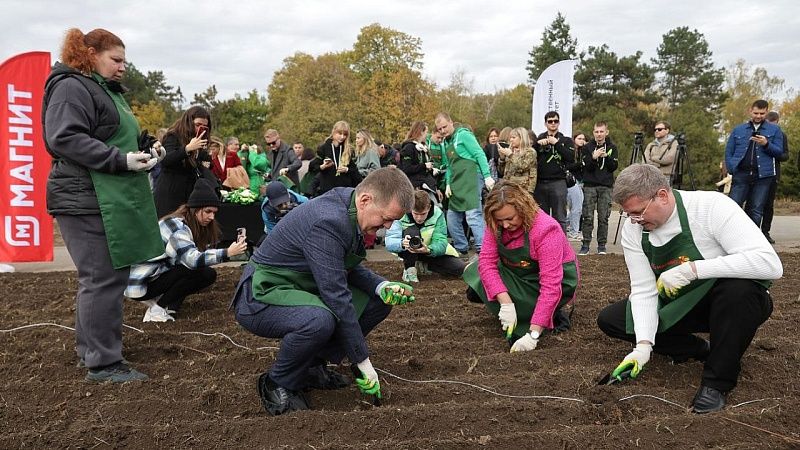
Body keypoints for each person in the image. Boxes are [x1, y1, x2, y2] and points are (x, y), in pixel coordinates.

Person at [597, 164, 782, 414]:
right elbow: (643, 290)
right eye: (628, 215)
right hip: (682, 303)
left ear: (662, 196)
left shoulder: (711, 207)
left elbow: (769, 264)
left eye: (639, 213)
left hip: (732, 304)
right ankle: (697, 349)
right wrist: (642, 347)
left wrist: (692, 270)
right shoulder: (634, 229)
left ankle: (717, 383)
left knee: (738, 291)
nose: (634, 221)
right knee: (613, 319)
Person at [231, 167, 416, 415]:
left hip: (300, 285)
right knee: (319, 321)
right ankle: (278, 381)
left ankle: (311, 367)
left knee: (377, 301)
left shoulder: (350, 206)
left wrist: (382, 286)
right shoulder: (327, 221)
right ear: (365, 200)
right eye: (385, 219)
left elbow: (341, 265)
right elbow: (337, 297)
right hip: (262, 294)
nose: (387, 226)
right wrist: (361, 361)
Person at [43, 28, 166, 382]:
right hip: (84, 196)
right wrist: (120, 161)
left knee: (103, 277)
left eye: (125, 60)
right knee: (102, 278)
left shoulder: (103, 90)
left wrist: (146, 144)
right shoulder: (71, 87)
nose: (123, 67)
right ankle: (103, 364)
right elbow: (64, 137)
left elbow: (113, 132)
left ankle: (93, 352)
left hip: (101, 195)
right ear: (90, 53)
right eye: (116, 59)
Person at [463, 180, 578, 351]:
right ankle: (519, 305)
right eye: (500, 220)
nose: (506, 225)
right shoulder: (496, 222)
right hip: (519, 273)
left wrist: (533, 335)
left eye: (510, 218)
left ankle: (550, 313)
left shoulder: (546, 230)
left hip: (552, 281)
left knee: (531, 317)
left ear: (523, 209)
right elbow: (487, 262)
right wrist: (505, 302)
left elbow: (551, 286)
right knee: (476, 275)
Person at [125, 179, 248, 321]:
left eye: (214, 213)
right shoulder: (176, 226)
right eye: (208, 211)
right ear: (195, 209)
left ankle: (165, 306)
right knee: (195, 270)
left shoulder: (187, 223)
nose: (211, 217)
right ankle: (157, 309)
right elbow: (192, 260)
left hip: (152, 276)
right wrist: (227, 253)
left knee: (204, 273)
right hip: (140, 282)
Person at [434, 112, 494, 256]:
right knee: (452, 218)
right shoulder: (446, 142)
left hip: (472, 177)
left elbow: (479, 153)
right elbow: (449, 166)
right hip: (456, 182)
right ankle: (461, 248)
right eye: (439, 129)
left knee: (473, 215)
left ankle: (483, 250)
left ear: (451, 122)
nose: (442, 131)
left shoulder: (464, 135)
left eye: (444, 127)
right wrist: (448, 184)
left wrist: (487, 176)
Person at [385, 190, 465, 282]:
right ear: (410, 208)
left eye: (423, 214)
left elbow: (441, 241)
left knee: (459, 269)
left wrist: (428, 250)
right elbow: (390, 241)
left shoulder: (438, 214)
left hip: (429, 252)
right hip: (407, 252)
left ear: (429, 207)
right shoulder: (400, 213)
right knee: (412, 232)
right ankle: (410, 269)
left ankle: (424, 266)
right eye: (416, 213)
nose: (419, 218)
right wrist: (402, 243)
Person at [726, 99, 785, 226]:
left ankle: (751, 241)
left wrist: (766, 144)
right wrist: (732, 168)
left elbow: (780, 152)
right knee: (733, 207)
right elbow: (729, 151)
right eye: (756, 113)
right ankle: (731, 237)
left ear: (766, 112)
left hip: (763, 176)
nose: (758, 116)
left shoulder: (775, 130)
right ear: (750, 111)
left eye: (762, 114)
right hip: (741, 174)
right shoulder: (739, 130)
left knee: (756, 210)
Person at [153, 105, 215, 217]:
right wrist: (187, 149)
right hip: (171, 191)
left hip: (189, 193)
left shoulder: (201, 141)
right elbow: (166, 160)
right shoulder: (173, 136)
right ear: (189, 122)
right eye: (197, 125)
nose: (200, 128)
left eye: (204, 127)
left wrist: (204, 157)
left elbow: (206, 164)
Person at [579, 121, 618, 255]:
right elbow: (586, 167)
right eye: (596, 131)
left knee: (603, 217)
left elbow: (613, 167)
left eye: (601, 131)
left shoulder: (612, 146)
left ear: (606, 132)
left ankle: (602, 245)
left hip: (605, 186)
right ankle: (585, 244)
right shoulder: (587, 147)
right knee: (588, 216)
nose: (599, 134)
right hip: (590, 185)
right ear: (593, 132)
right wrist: (593, 157)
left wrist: (606, 157)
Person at [533, 111, 575, 232]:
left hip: (558, 182)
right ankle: (544, 246)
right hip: (540, 183)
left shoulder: (565, 140)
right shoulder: (540, 139)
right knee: (542, 218)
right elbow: (531, 156)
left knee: (560, 217)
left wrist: (556, 143)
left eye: (555, 121)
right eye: (550, 121)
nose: (553, 123)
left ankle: (561, 247)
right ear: (545, 123)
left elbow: (570, 157)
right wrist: (537, 145)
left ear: (559, 123)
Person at [757, 111, 790, 244]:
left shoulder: (781, 135)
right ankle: (752, 232)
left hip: (773, 174)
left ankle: (765, 232)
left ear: (777, 122)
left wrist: (771, 150)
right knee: (754, 205)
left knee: (768, 205)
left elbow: (785, 155)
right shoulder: (757, 133)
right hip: (757, 174)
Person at [309, 121, 362, 194]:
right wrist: (323, 166)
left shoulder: (349, 150)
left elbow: (355, 173)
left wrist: (347, 169)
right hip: (327, 189)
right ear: (334, 132)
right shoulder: (324, 148)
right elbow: (312, 167)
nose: (342, 137)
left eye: (345, 134)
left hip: (344, 190)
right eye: (340, 134)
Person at [399, 121, 438, 195]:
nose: (427, 135)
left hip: (426, 185)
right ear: (421, 132)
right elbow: (406, 169)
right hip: (414, 187)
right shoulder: (409, 148)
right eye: (426, 132)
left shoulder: (424, 148)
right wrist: (424, 166)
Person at [497, 127, 537, 195]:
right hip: (508, 188)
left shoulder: (530, 152)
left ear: (522, 138)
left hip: (523, 190)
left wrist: (510, 155)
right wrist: (502, 158)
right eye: (510, 137)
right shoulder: (510, 151)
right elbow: (501, 172)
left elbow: (523, 166)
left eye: (513, 137)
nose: (511, 140)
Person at [566, 132, 587, 240]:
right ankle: (574, 231)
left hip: (581, 182)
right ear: (574, 139)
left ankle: (564, 225)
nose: (582, 140)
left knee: (578, 207)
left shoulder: (583, 152)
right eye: (579, 138)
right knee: (576, 208)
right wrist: (581, 164)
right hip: (572, 182)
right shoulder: (571, 152)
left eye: (583, 138)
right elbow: (568, 166)